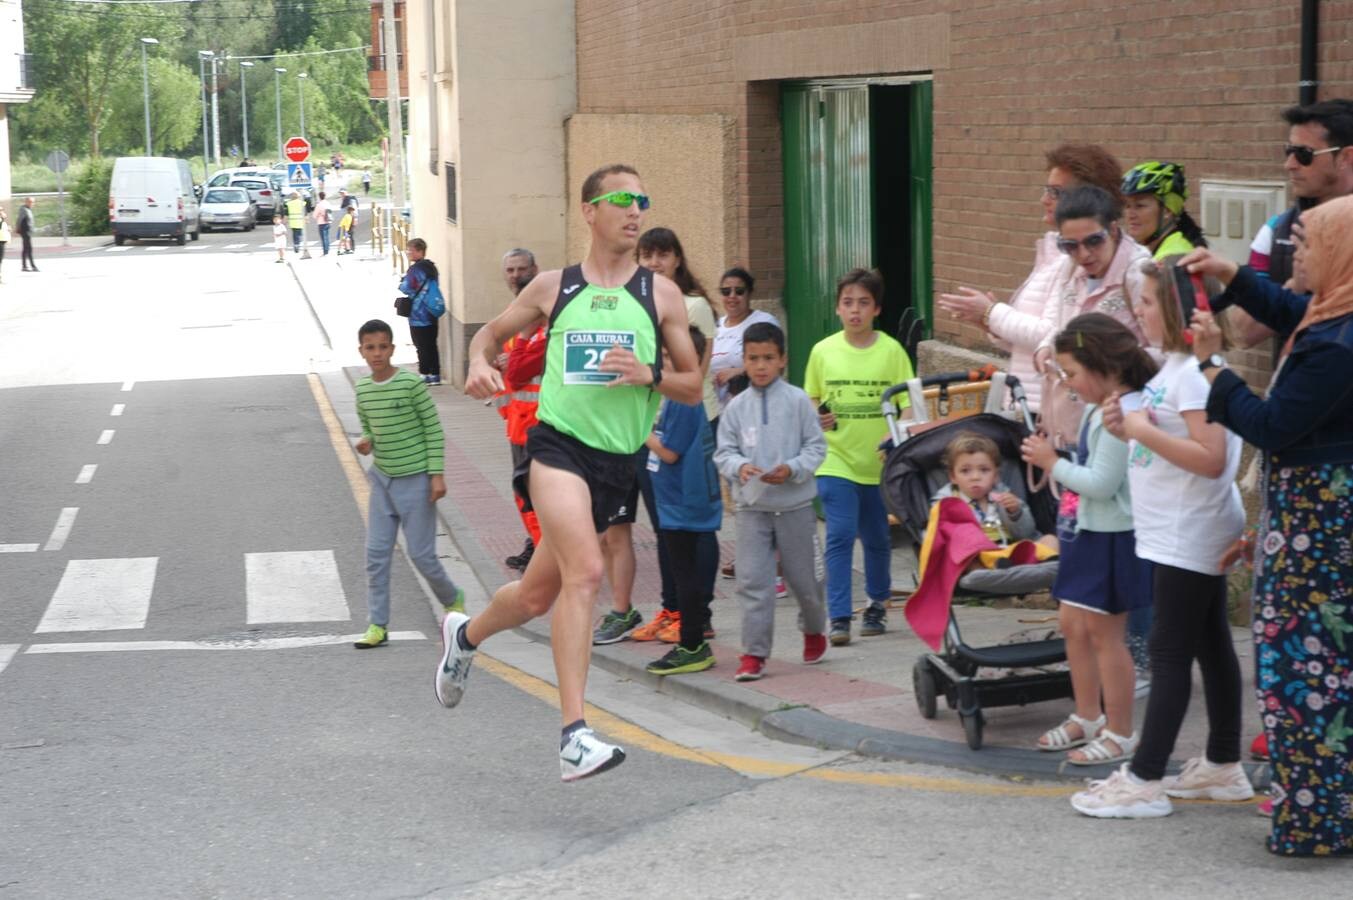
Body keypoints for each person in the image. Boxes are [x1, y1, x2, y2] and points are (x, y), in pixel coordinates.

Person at [441, 163, 702, 782]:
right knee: (586, 572)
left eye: (642, 198)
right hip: (557, 449)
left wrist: (651, 375)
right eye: (621, 199)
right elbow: (488, 340)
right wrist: (480, 365)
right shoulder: (554, 288)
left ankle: (466, 636)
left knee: (536, 596)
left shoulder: (660, 295)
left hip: (618, 463)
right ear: (589, 211)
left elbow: (694, 386)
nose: (635, 210)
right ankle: (574, 733)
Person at [1179, 202, 1353, 855]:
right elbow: (1290, 310)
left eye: (1304, 246)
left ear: (1340, 254)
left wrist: (1211, 367)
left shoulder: (1336, 346)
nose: (1293, 258)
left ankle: (1314, 822)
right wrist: (1231, 276)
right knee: (1320, 670)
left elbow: (1272, 424)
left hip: (1318, 531)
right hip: (1312, 521)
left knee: (1306, 674)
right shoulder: (1333, 317)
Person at [1068, 259, 1250, 820]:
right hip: (1177, 529)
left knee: (1171, 654)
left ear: (1172, 307)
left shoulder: (1195, 374)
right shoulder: (1179, 368)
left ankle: (1145, 778)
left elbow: (1212, 457)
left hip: (1187, 531)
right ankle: (1221, 764)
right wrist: (1133, 427)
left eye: (1145, 302)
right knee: (1211, 645)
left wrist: (1140, 428)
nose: (1137, 313)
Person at [1021, 314, 1153, 767]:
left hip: (1111, 538)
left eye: (1072, 373)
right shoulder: (1100, 409)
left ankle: (1120, 731)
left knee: (1105, 636)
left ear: (1102, 364)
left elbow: (1101, 483)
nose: (1069, 384)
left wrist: (1050, 462)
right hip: (1086, 534)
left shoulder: (1119, 413)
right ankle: (1087, 716)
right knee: (1073, 627)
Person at [938, 143, 1125, 413]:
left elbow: (1054, 334)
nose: (1044, 199)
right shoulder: (1054, 252)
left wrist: (993, 312)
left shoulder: (1079, 259)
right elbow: (1035, 337)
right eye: (1046, 189)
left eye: (1055, 192)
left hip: (1051, 408)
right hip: (1030, 402)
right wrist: (989, 323)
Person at [609, 227, 719, 646]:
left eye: (663, 255)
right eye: (647, 256)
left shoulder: (693, 306)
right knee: (665, 526)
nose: (655, 263)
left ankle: (699, 616)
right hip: (648, 425)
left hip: (692, 420)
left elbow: (695, 373)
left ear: (677, 258)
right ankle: (672, 609)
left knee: (697, 525)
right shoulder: (638, 305)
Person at [805, 268, 915, 646]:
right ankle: (838, 617)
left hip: (878, 463)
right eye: (848, 303)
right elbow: (812, 399)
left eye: (863, 303)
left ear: (877, 309)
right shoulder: (823, 351)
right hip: (836, 460)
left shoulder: (892, 352)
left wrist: (894, 433)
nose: (855, 311)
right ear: (837, 308)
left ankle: (876, 606)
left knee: (877, 538)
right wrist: (818, 415)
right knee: (838, 536)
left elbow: (908, 406)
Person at [714, 320, 828, 681]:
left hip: (794, 506)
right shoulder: (735, 407)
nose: (760, 366)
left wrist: (793, 469)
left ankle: (813, 629)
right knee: (753, 582)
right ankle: (754, 654)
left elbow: (816, 447)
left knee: (805, 581)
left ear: (782, 360)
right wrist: (740, 466)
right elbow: (723, 452)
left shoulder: (797, 402)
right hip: (751, 509)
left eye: (767, 358)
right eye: (753, 358)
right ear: (744, 361)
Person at [352, 319, 465, 649]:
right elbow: (368, 426)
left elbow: (432, 429)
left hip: (415, 481)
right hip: (383, 481)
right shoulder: (362, 389)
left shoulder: (411, 384)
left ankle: (452, 598)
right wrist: (367, 441)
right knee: (375, 554)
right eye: (370, 348)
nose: (377, 354)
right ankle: (377, 624)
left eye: (382, 347)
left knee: (421, 555)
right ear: (361, 351)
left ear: (392, 348)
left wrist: (437, 475)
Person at [644, 326, 723, 676]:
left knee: (685, 576)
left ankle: (691, 644)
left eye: (666, 358)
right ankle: (692, 640)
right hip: (683, 499)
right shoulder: (681, 397)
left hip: (682, 502)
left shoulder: (681, 400)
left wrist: (639, 431)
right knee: (685, 574)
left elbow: (670, 453)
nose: (661, 364)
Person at [1240, 100, 1353, 347]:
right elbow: (1242, 332)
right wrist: (1295, 286)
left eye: (1304, 154)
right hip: (1299, 379)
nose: (1289, 164)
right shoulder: (1276, 230)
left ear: (1346, 157)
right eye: (1288, 152)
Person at [495, 248, 543, 571]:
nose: (515, 275)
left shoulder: (543, 324)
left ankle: (544, 555)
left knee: (536, 496)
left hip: (540, 424)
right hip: (517, 423)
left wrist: (509, 364)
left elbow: (517, 370)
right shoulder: (513, 314)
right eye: (510, 270)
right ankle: (536, 546)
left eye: (521, 269)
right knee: (526, 496)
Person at [935, 432, 1053, 554]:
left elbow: (1027, 534)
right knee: (962, 556)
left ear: (995, 475)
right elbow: (937, 538)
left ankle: (1045, 564)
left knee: (1050, 540)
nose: (975, 477)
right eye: (965, 471)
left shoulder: (1003, 495)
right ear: (953, 476)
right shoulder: (947, 503)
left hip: (1011, 551)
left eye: (984, 470)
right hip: (976, 555)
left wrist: (1015, 513)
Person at [709, 267, 781, 413]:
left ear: (750, 294)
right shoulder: (714, 326)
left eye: (739, 291)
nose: (732, 296)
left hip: (755, 407)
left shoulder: (764, 321)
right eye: (726, 291)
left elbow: (776, 364)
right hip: (717, 412)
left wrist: (740, 371)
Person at [1121, 162, 1208, 260]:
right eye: (1127, 205)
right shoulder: (1167, 247)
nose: (1130, 215)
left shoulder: (1173, 257)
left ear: (1168, 210)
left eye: (1140, 206)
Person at [398, 238, 446, 385]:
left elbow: (406, 287)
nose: (408, 252)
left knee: (421, 345)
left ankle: (424, 373)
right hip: (432, 313)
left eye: (410, 250)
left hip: (418, 314)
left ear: (419, 251)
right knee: (432, 344)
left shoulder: (415, 270)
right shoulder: (432, 268)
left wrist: (403, 281)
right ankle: (435, 375)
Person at [285, 191, 307, 255]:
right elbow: (305, 213)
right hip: (300, 221)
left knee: (295, 234)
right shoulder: (302, 203)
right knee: (299, 234)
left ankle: (296, 244)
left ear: (292, 197)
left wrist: (285, 221)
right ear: (299, 196)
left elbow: (286, 214)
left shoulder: (289, 203)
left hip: (293, 222)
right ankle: (298, 244)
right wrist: (306, 220)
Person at [18, 196, 37, 273]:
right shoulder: (24, 209)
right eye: (30, 202)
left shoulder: (28, 210)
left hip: (28, 231)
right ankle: (32, 266)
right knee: (28, 249)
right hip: (25, 232)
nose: (31, 203)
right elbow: (19, 220)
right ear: (26, 202)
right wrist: (18, 229)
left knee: (26, 249)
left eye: (32, 202)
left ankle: (24, 266)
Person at [312, 192, 332, 257]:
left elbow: (314, 215)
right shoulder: (328, 203)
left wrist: (318, 216)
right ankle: (328, 249)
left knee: (323, 237)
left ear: (319, 197)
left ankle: (325, 251)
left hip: (321, 222)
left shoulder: (319, 205)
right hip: (328, 221)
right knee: (327, 236)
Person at [0, 204, 10, 283]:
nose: (1, 211)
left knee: (1, 261)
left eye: (2, 210)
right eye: (0, 210)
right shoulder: (1, 219)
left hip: (2, 241)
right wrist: (3, 219)